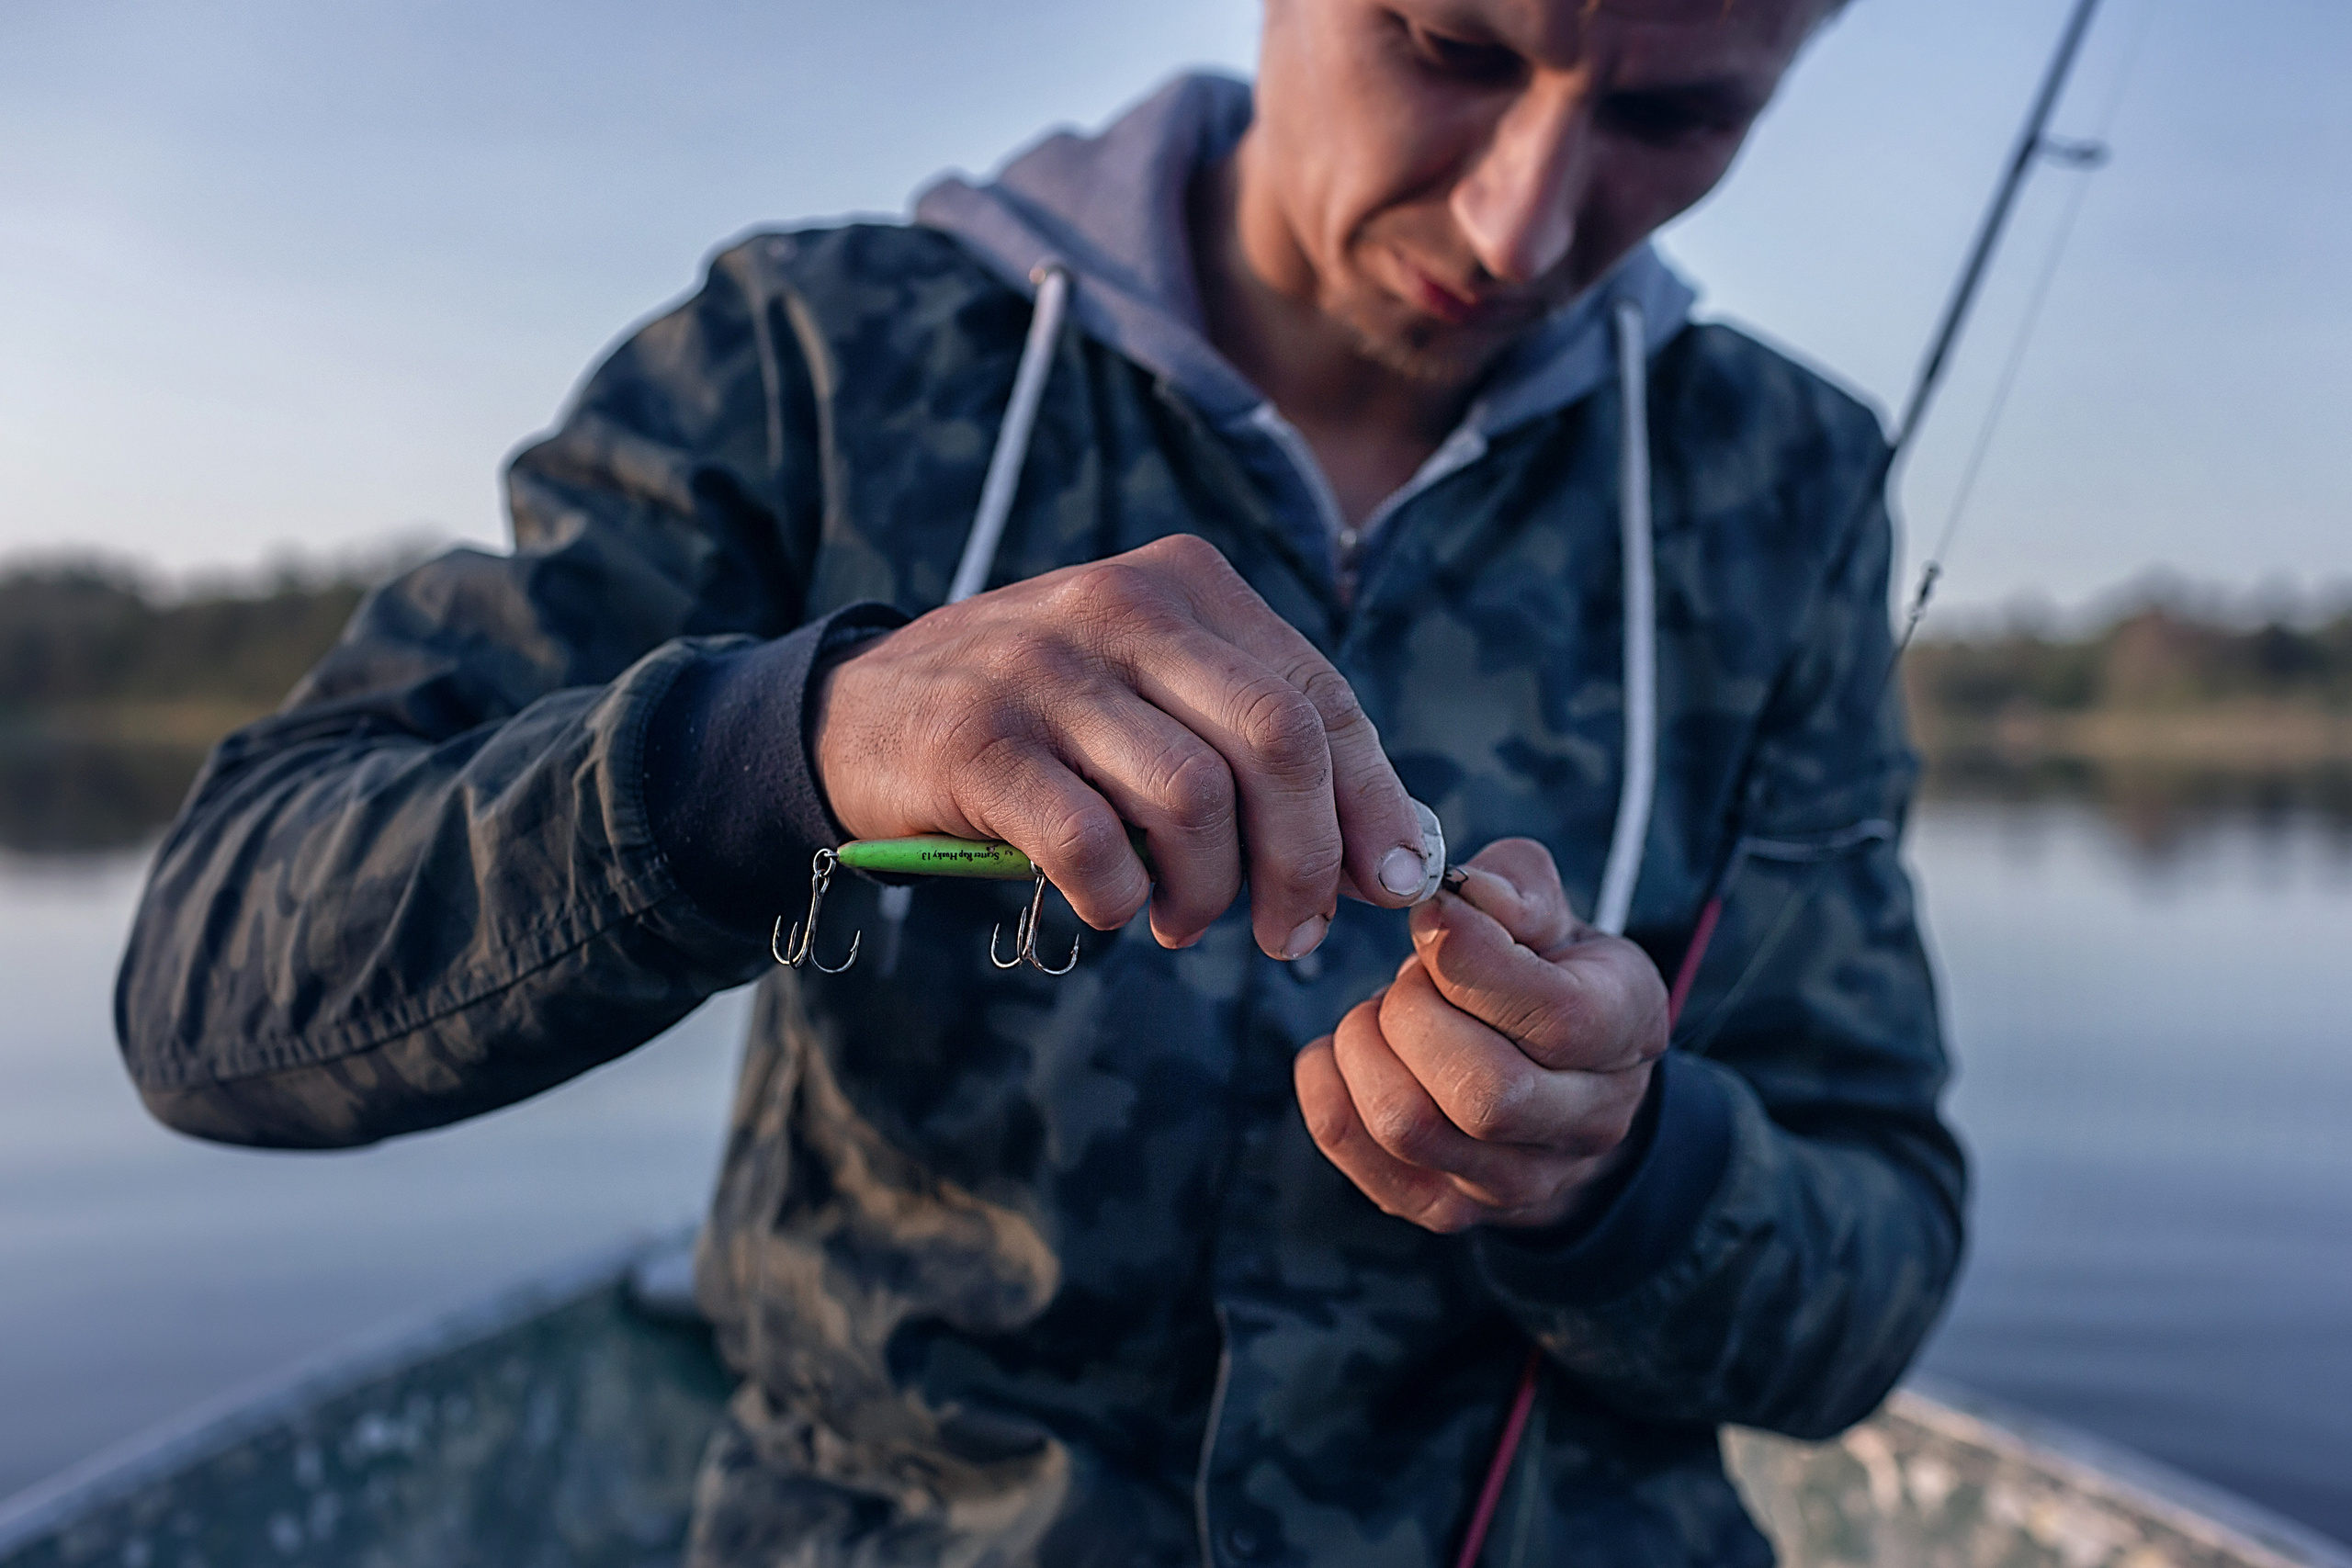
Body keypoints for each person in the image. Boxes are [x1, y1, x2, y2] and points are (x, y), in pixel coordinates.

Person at [116, 0, 1964, 1562]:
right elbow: (208, 991)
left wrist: (1615, 1165)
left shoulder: (1780, 486)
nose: (1518, 218)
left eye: (1668, 113)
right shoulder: (819, 361)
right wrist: (787, 744)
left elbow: (1868, 1270)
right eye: (1448, 42)